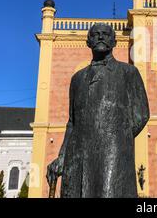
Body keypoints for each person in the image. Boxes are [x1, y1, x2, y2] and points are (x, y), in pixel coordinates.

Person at [46, 23, 150, 198]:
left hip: (113, 155)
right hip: (78, 156)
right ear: (88, 42)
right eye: (95, 34)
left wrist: (116, 137)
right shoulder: (77, 79)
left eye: (106, 34)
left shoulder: (128, 72)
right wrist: (62, 156)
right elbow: (72, 122)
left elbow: (142, 114)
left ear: (114, 41)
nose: (101, 37)